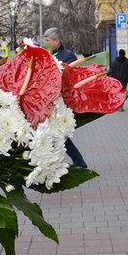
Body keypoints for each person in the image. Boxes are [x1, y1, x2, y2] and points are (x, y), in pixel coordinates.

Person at [43, 27, 87, 167]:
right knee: (57, 134)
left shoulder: (68, 56)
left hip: (62, 102)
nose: (46, 44)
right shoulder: (48, 55)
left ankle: (74, 163)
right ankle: (76, 162)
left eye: (48, 41)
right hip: (50, 101)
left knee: (59, 134)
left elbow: (68, 77)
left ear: (56, 41)